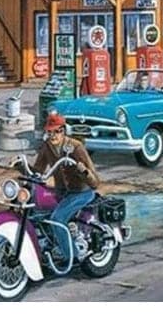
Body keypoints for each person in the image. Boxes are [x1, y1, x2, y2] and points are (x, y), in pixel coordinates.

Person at [33, 112, 101, 263]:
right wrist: (20, 166)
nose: (53, 136)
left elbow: (95, 182)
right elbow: (37, 171)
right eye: (49, 132)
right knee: (38, 213)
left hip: (81, 193)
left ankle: (72, 256)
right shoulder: (47, 147)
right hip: (62, 193)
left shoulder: (76, 147)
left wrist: (83, 171)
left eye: (56, 131)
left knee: (57, 218)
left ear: (63, 131)